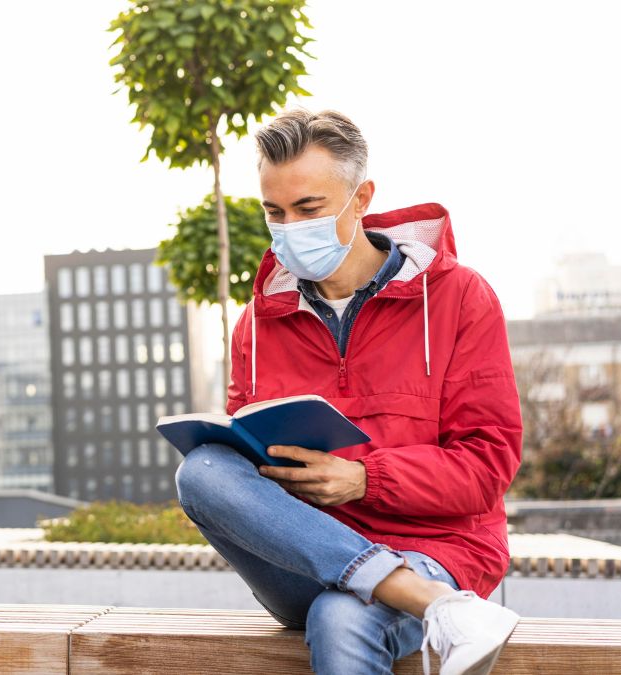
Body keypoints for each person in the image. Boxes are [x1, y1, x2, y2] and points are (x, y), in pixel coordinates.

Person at [174, 109, 522, 675]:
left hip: (440, 550)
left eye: (308, 209)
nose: (289, 227)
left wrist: (364, 479)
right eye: (274, 212)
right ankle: (435, 607)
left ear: (361, 198)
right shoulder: (258, 325)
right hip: (308, 558)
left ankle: (424, 591)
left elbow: (487, 468)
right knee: (202, 471)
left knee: (342, 615)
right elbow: (249, 477)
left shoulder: (459, 298)